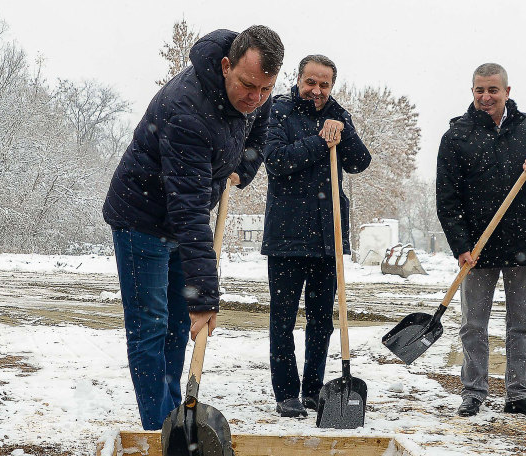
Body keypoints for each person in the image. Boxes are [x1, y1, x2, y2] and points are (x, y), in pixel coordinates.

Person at [103, 27, 284, 430]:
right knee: (151, 324)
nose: (255, 98)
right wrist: (205, 295)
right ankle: (159, 431)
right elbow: (187, 210)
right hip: (142, 219)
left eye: (266, 89)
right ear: (226, 66)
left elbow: (261, 129)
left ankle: (172, 419)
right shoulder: (187, 109)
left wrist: (243, 167)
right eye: (248, 85)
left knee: (179, 324)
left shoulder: (257, 95)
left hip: (183, 213)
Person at [436, 63, 526, 418]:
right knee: (473, 325)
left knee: (521, 324)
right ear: (472, 92)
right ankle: (474, 392)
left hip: (525, 243)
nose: (486, 97)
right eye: (480, 90)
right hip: (478, 249)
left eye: (493, 90)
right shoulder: (457, 136)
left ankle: (518, 394)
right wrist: (461, 246)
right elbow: (447, 198)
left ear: (507, 92)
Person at [261, 55, 371, 418]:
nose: (317, 90)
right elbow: (276, 159)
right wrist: (319, 142)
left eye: (324, 84)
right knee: (283, 318)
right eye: (311, 82)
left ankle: (313, 390)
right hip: (287, 236)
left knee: (322, 320)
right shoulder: (279, 111)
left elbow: (359, 161)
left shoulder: (339, 115)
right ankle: (286, 392)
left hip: (328, 236)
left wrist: (343, 129)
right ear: (298, 79)